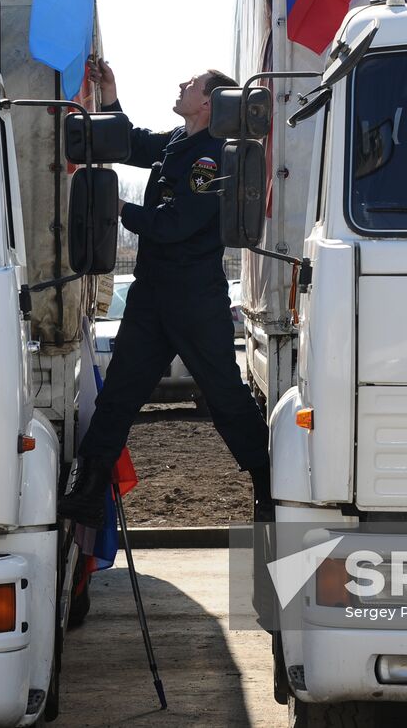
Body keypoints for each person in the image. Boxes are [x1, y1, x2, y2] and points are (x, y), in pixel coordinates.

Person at [59, 59, 272, 528]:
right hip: (153, 295)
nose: (181, 84)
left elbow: (175, 226)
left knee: (223, 396)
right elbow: (131, 143)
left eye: (191, 83)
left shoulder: (212, 158)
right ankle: (89, 488)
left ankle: (267, 484)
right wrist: (110, 96)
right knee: (119, 394)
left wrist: (119, 209)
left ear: (209, 102)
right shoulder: (179, 142)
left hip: (193, 299)